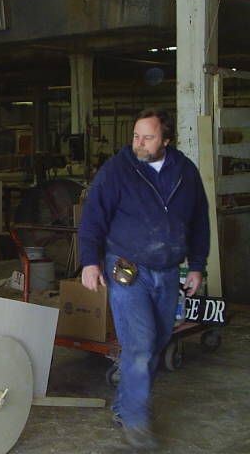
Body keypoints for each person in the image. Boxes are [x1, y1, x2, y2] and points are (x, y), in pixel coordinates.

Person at [78, 107, 209, 450]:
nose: (139, 143)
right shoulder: (117, 170)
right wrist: (89, 261)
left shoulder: (185, 172)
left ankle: (124, 407)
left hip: (168, 271)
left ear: (166, 140)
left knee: (158, 341)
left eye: (148, 137)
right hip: (127, 269)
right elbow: (92, 218)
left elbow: (199, 220)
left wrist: (197, 265)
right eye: (136, 136)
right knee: (139, 345)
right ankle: (137, 422)